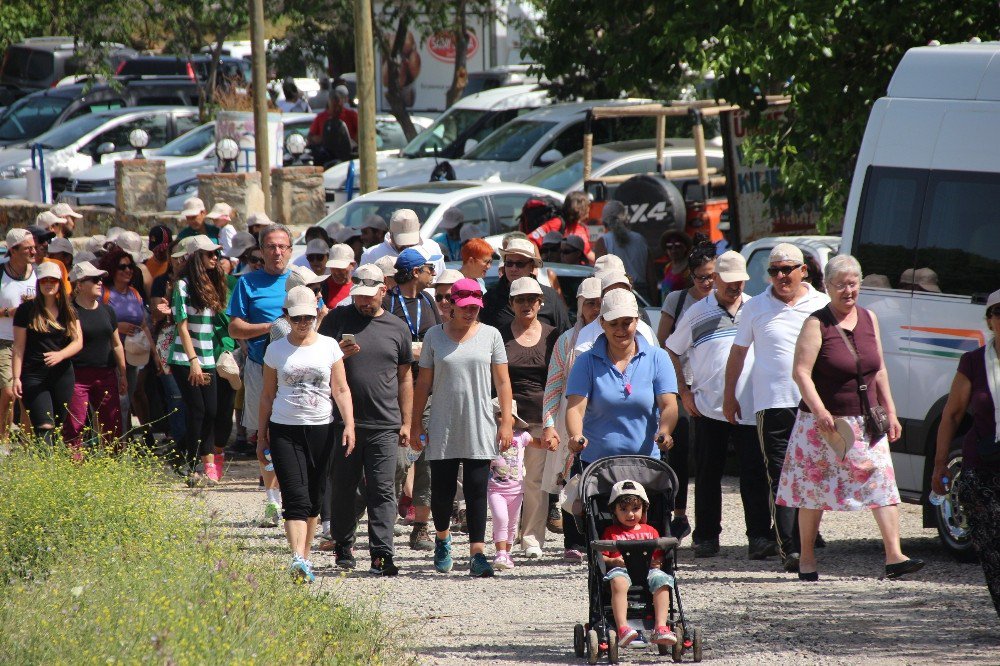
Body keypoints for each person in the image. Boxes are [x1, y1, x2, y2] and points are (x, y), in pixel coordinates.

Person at [775, 255, 919, 581]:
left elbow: (878, 368)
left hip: (866, 420)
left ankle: (894, 555)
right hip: (822, 425)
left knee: (882, 483)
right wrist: (820, 410)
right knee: (813, 492)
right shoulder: (816, 323)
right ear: (827, 287)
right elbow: (801, 373)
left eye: (853, 282)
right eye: (841, 284)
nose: (848, 289)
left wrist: (892, 411)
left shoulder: (869, 318)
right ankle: (807, 559)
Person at [723, 243, 830, 573]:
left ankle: (805, 542)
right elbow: (738, 354)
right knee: (781, 476)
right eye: (774, 271)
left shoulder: (822, 304)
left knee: (811, 475)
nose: (781, 276)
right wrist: (730, 396)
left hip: (813, 404)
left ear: (803, 271)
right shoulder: (755, 307)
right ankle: (791, 550)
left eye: (787, 269)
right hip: (771, 403)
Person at [665, 251, 774, 559]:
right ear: (716, 280)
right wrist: (683, 393)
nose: (736, 287)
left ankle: (759, 537)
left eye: (741, 282)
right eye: (730, 282)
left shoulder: (755, 307)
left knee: (753, 473)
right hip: (708, 406)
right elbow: (671, 350)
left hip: (751, 406)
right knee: (708, 474)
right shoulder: (697, 312)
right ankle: (706, 537)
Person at [410, 278, 514, 578]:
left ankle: (477, 553)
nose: (471, 313)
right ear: (451, 305)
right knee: (442, 491)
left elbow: (503, 382)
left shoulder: (491, 335)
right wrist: (416, 421)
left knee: (477, 490)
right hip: (443, 421)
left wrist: (506, 421)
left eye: (475, 307)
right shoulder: (434, 336)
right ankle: (442, 539)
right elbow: (424, 383)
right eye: (466, 307)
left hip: (479, 421)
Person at [318, 264, 413, 575]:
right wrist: (338, 356)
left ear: (383, 291)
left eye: (369, 296)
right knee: (343, 486)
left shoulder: (397, 327)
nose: (362, 302)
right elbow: (317, 366)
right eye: (358, 296)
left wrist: (407, 421)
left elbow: (404, 378)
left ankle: (382, 554)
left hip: (385, 423)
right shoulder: (336, 319)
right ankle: (344, 546)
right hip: (344, 421)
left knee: (383, 489)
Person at [259, 285, 355, 583]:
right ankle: (296, 558)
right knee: (295, 496)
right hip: (284, 427)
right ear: (286, 316)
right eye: (297, 318)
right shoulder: (275, 349)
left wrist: (350, 424)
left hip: (321, 427)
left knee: (315, 496)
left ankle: (305, 557)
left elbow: (340, 388)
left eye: (309, 318)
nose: (303, 323)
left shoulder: (328, 346)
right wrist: (261, 435)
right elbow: (267, 394)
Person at [934, 288, 1000, 617]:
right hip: (982, 467)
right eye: (999, 312)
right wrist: (939, 467)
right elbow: (952, 415)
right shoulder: (973, 362)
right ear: (989, 320)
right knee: (991, 552)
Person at [565, 289, 678, 466]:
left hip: (646, 465)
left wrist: (665, 432)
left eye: (627, 323)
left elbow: (668, 404)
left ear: (637, 321)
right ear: (602, 323)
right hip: (595, 466)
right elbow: (575, 409)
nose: (620, 330)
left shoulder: (658, 357)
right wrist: (576, 436)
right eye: (613, 323)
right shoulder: (585, 361)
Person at [228, 224, 293, 526]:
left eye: (282, 246)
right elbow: (234, 328)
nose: (277, 252)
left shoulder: (300, 281)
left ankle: (293, 494)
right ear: (261, 251)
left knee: (297, 431)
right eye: (271, 247)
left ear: (290, 250)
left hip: (297, 368)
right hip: (260, 365)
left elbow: (320, 318)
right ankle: (271, 500)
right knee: (263, 433)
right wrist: (271, 327)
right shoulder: (248, 283)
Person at [653, 241, 716, 540]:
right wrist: (679, 385)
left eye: (712, 275)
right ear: (691, 275)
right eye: (702, 276)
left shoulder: (730, 299)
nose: (708, 282)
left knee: (707, 455)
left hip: (715, 385)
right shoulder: (677, 301)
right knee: (679, 449)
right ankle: (679, 513)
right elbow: (662, 343)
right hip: (681, 386)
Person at [385, 248, 442, 551]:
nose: (434, 272)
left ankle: (421, 526)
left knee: (427, 458)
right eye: (429, 267)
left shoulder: (428, 301)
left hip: (427, 388)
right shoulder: (388, 302)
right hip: (393, 391)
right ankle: (385, 521)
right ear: (414, 271)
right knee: (395, 460)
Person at [541, 277, 602, 563]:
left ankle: (600, 537)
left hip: (603, 418)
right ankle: (573, 540)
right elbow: (553, 385)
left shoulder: (614, 338)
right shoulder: (567, 341)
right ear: (579, 306)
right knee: (570, 476)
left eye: (600, 303)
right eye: (589, 303)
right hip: (570, 416)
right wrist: (550, 423)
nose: (595, 309)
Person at [501, 277, 560, 558]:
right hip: (508, 418)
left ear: (540, 302)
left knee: (536, 480)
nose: (526, 304)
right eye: (520, 299)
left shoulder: (553, 335)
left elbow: (558, 378)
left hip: (542, 415)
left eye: (531, 299)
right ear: (511, 303)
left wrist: (552, 421)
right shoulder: (499, 334)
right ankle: (506, 536)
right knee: (508, 480)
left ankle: (532, 537)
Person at [167, 235, 228, 484]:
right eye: (209, 254)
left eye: (216, 254)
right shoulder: (182, 285)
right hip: (185, 357)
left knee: (211, 412)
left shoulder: (212, 283)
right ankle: (193, 467)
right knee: (198, 411)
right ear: (195, 257)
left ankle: (178, 454)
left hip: (208, 356)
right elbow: (181, 326)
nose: (215, 258)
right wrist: (193, 360)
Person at [11, 261, 83, 443]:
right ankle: (46, 465)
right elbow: (18, 347)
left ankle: (52, 467)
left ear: (59, 282)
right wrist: (16, 378)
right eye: (44, 280)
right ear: (38, 283)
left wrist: (61, 355)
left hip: (62, 374)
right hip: (33, 374)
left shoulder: (68, 309)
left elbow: (78, 341)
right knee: (44, 425)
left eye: (53, 280)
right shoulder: (26, 310)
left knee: (57, 426)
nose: (49, 284)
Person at [601, 480, 678, 647]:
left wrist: (657, 562)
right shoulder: (611, 532)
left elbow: (659, 557)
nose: (630, 514)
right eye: (624, 510)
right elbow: (601, 557)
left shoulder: (651, 531)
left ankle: (661, 626)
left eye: (635, 509)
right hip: (621, 571)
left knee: (662, 581)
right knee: (617, 582)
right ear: (614, 511)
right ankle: (623, 628)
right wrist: (613, 561)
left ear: (644, 509)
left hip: (648, 570)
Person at [64, 261, 127, 449]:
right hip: (77, 376)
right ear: (79, 284)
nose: (100, 282)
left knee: (112, 423)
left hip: (106, 374)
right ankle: (75, 468)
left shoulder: (107, 310)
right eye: (94, 279)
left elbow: (116, 344)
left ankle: (112, 467)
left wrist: (122, 374)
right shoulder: (68, 311)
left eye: (100, 279)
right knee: (76, 424)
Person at [98, 246, 157, 433]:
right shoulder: (103, 294)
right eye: (122, 267)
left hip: (134, 357)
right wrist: (117, 326)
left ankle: (121, 443)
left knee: (125, 402)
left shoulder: (135, 293)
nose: (128, 270)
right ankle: (116, 446)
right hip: (112, 357)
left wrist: (156, 355)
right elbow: (95, 321)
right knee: (118, 403)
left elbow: (144, 325)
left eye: (130, 266)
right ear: (112, 270)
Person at [488, 398, 547, 570]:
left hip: (516, 489)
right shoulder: (489, 438)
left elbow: (538, 444)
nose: (501, 419)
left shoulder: (522, 436)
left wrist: (549, 441)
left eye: (505, 415)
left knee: (512, 523)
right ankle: (500, 553)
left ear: (514, 418)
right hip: (495, 489)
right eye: (497, 415)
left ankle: (507, 553)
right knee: (501, 518)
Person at [480, 238, 570, 334]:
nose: (513, 268)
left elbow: (565, 335)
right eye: (509, 263)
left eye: (520, 264)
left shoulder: (550, 296)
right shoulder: (490, 299)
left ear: (531, 266)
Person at [0, 230, 39, 439]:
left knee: (28, 396)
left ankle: (27, 446)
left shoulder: (39, 274)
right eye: (28, 248)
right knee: (8, 392)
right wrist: (9, 312)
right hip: (4, 341)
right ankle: (3, 443)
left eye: (34, 247)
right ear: (13, 250)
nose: (34, 251)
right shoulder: (1, 274)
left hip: (32, 341)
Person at [360, 209, 447, 277]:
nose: (408, 246)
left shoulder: (432, 247)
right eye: (403, 241)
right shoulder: (370, 255)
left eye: (412, 242)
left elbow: (442, 280)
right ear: (391, 235)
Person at [594, 200, 654, 299]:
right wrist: (653, 303)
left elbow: (600, 277)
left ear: (604, 222)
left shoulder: (603, 242)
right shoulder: (640, 239)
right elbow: (651, 278)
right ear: (626, 219)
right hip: (642, 296)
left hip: (617, 295)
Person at [528, 191, 595, 264]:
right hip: (558, 272)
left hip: (578, 272)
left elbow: (588, 253)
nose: (589, 209)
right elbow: (531, 240)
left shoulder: (582, 227)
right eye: (588, 205)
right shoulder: (557, 223)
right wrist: (538, 265)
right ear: (581, 207)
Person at [307, 87, 357, 166]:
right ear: (329, 104)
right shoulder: (321, 118)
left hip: (347, 158)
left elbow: (362, 133)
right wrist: (318, 139)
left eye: (339, 106)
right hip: (327, 159)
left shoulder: (351, 115)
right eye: (334, 106)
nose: (337, 109)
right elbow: (310, 137)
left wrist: (353, 141)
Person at [657, 230, 693, 302]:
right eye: (669, 247)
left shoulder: (690, 268)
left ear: (685, 247)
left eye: (677, 246)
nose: (673, 250)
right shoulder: (667, 267)